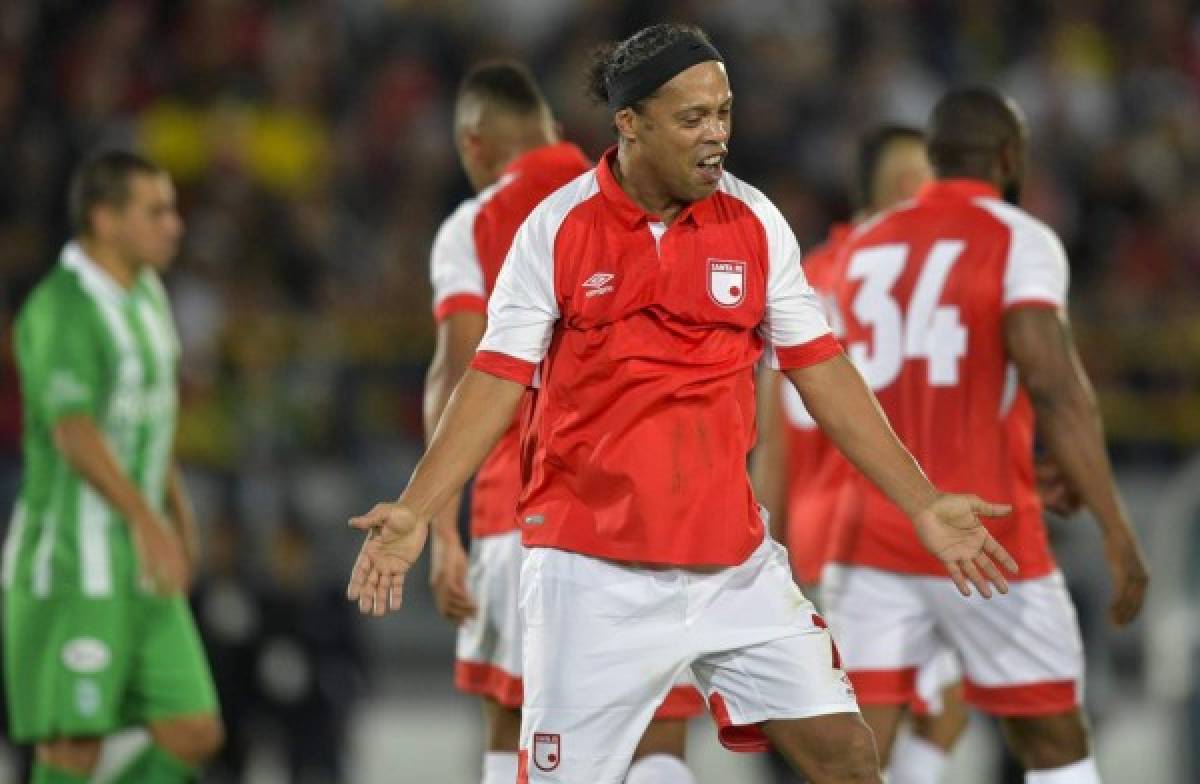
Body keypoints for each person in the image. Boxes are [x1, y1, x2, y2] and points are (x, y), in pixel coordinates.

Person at [348, 25, 1015, 784]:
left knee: (848, 758)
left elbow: (823, 372)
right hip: (591, 573)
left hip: (732, 565)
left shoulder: (755, 222)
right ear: (629, 124)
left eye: (725, 113)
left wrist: (922, 503)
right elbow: (493, 379)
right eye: (693, 118)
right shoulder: (557, 229)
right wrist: (419, 508)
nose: (717, 136)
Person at [819, 87, 1150, 784]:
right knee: (1055, 743)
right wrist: (1115, 528)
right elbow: (1053, 384)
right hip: (989, 536)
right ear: (1010, 156)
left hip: (872, 531)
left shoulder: (866, 247)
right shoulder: (1017, 237)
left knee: (857, 760)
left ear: (935, 159)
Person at [424, 60, 704, 784]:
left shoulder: (476, 223)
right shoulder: (640, 194)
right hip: (652, 506)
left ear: (474, 144)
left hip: (519, 510)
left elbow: (459, 374)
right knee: (657, 731)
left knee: (516, 722)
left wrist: (438, 527)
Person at [754, 125, 979, 784]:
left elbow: (772, 443)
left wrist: (770, 566)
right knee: (918, 726)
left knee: (887, 738)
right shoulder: (930, 289)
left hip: (815, 547)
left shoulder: (805, 281)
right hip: (892, 549)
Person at [2, 151, 223, 783]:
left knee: (193, 730)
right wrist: (145, 520)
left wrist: (177, 514)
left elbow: (145, 423)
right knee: (72, 749)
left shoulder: (147, 295)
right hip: (72, 563)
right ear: (104, 218)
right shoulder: (61, 307)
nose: (174, 224)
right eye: (155, 211)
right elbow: (74, 431)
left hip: (140, 561)